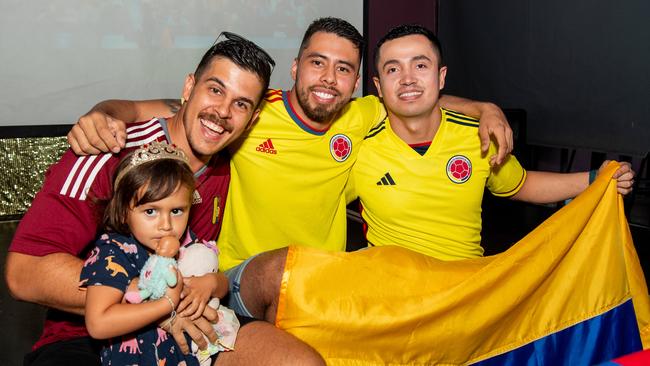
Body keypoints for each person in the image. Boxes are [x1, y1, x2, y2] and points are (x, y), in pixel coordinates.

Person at [66, 17, 515, 318]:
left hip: (322, 287)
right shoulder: (251, 112)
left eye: (343, 69)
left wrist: (484, 107)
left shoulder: (362, 115)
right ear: (297, 67)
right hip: (243, 279)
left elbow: (416, 99)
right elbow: (172, 108)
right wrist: (107, 109)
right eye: (318, 63)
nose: (327, 78)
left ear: (357, 84)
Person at [6, 33, 325, 365]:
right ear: (188, 88)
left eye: (240, 104)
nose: (222, 112)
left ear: (252, 119)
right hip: (86, 337)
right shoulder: (113, 151)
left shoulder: (227, 161)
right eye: (215, 90)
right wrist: (155, 302)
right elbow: (25, 270)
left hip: (192, 318)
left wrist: (188, 297)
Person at [348, 24, 635, 260]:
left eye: (420, 65)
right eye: (393, 70)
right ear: (378, 87)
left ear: (441, 77)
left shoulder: (478, 137)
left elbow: (522, 184)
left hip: (467, 292)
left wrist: (597, 178)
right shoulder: (359, 147)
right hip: (391, 300)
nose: (407, 79)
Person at [80, 141, 234, 365]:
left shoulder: (186, 243)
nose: (166, 225)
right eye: (150, 211)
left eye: (177, 211)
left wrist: (210, 283)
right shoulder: (113, 251)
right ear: (123, 212)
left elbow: (223, 285)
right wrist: (166, 305)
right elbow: (98, 323)